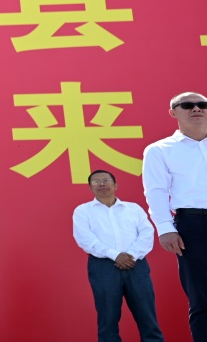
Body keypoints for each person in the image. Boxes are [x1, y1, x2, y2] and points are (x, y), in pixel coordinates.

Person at [144, 91, 207, 341]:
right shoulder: (160, 150)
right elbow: (156, 191)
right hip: (193, 226)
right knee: (202, 297)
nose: (196, 109)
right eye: (188, 105)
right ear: (173, 113)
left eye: (202, 104)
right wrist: (165, 227)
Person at [73, 169, 165, 342]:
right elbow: (85, 239)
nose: (102, 184)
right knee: (107, 320)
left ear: (115, 185)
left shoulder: (133, 209)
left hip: (136, 265)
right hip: (103, 267)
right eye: (96, 182)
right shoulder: (83, 211)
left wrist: (131, 255)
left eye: (106, 180)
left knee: (147, 318)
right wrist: (115, 256)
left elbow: (147, 233)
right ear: (90, 187)